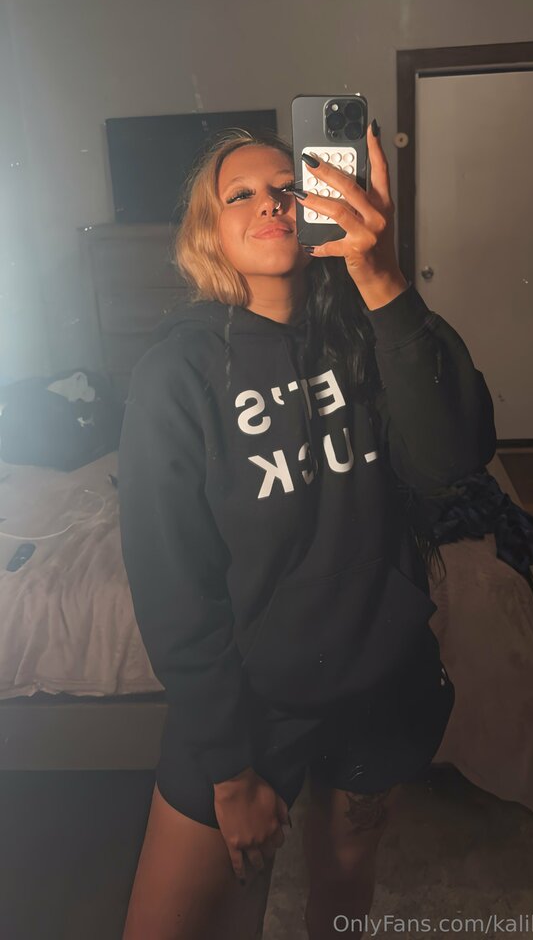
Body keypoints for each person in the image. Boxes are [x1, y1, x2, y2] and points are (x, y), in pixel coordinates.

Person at [118, 120, 497, 940]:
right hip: (251, 705)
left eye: (289, 187)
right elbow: (171, 582)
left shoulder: (371, 321)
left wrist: (381, 273)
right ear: (209, 232)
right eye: (241, 194)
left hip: (379, 682)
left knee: (345, 896)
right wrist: (229, 771)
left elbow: (455, 461)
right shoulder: (177, 373)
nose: (271, 203)